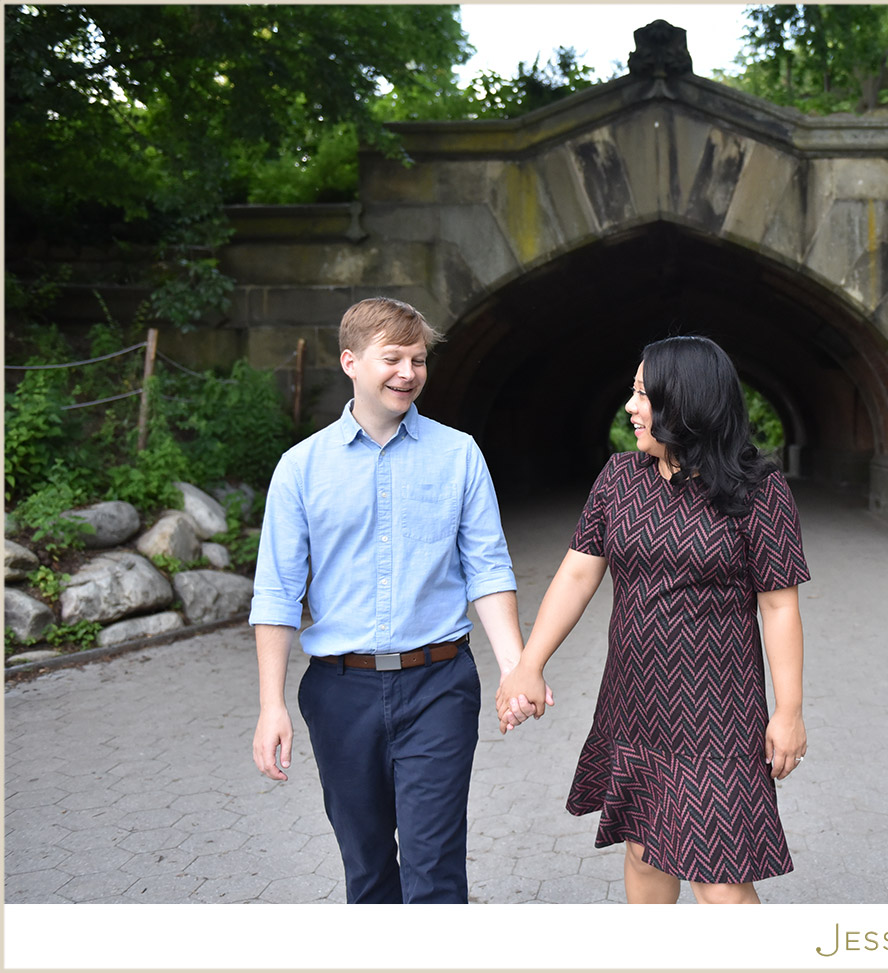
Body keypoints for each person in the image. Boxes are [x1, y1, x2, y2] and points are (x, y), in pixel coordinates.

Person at [249, 296, 547, 904]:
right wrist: (270, 705)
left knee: (434, 870)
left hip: (438, 683)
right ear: (350, 362)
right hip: (339, 692)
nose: (408, 373)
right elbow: (277, 593)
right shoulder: (300, 468)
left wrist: (516, 668)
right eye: (392, 359)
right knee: (368, 873)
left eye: (418, 360)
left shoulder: (458, 454)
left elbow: (487, 569)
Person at [496, 335, 809, 905]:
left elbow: (779, 606)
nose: (630, 406)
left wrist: (788, 713)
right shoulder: (620, 477)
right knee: (644, 854)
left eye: (643, 394)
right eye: (632, 391)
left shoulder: (759, 488)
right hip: (635, 702)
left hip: (717, 714)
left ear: (684, 403)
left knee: (720, 883)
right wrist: (528, 664)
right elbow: (577, 574)